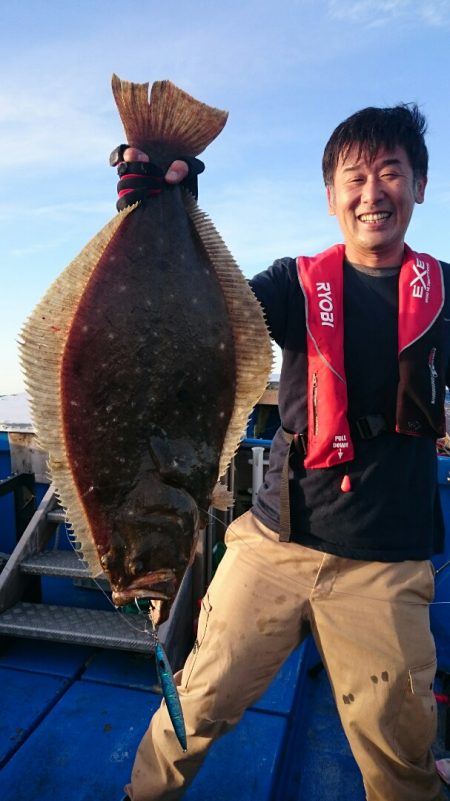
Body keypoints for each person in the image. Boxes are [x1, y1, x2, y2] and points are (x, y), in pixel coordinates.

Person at [112, 104, 450, 801]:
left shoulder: (446, 294)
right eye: (354, 177)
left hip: (385, 566)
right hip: (272, 543)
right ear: (330, 197)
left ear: (420, 184)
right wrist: (157, 209)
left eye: (391, 172)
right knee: (193, 706)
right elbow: (201, 317)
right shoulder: (294, 284)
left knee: (399, 758)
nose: (372, 192)